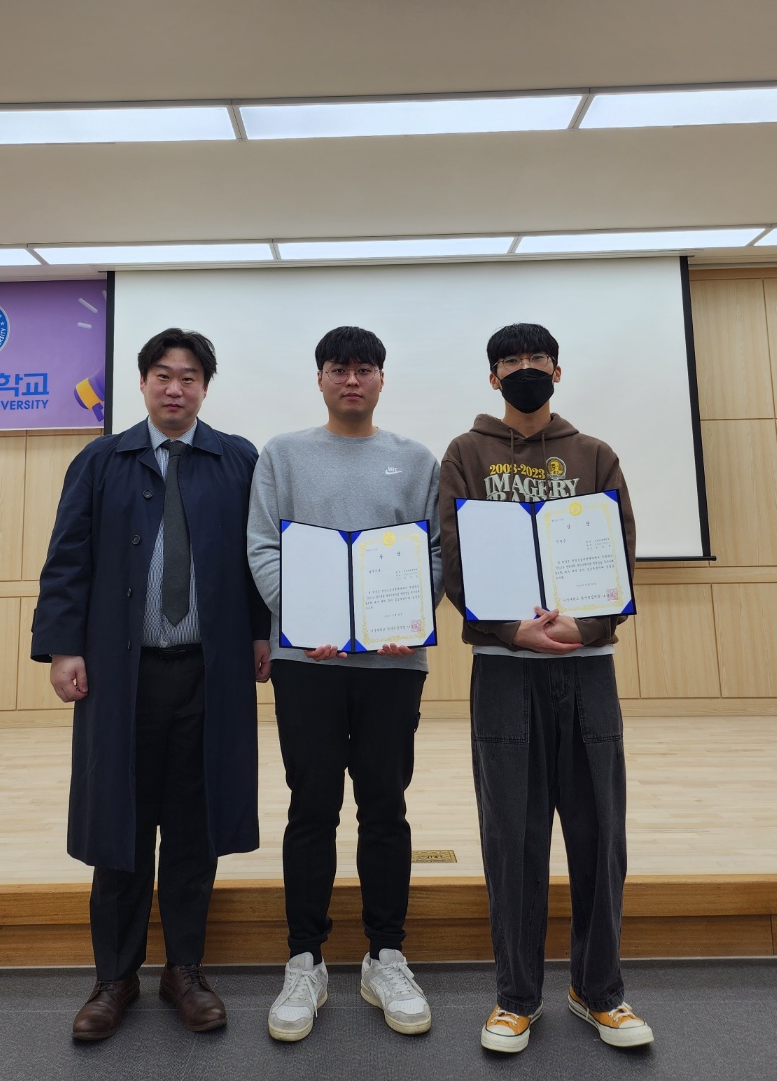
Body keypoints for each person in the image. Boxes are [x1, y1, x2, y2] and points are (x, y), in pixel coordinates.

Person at [31, 327, 271, 1042]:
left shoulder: (238, 460)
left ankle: (185, 971)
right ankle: (114, 978)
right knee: (121, 827)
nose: (175, 388)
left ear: (205, 388)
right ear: (141, 383)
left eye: (189, 377)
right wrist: (63, 648)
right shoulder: (101, 460)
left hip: (210, 673)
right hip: (122, 676)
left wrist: (263, 631)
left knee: (195, 827)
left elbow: (260, 556)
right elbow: (67, 559)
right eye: (163, 375)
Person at [439, 322, 654, 1055]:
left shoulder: (593, 454)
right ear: (493, 377)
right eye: (511, 361)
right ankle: (515, 998)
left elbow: (620, 552)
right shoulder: (466, 454)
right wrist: (510, 630)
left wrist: (584, 626)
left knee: (599, 836)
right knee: (513, 838)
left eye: (537, 358)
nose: (525, 368)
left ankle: (600, 991)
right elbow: (453, 556)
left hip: (587, 670)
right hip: (505, 672)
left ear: (557, 371)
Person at [247, 325, 442, 1042]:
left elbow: (435, 551)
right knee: (312, 807)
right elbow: (262, 546)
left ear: (381, 379)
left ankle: (386, 955)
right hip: (308, 664)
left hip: (393, 664)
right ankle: (305, 960)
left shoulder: (415, 460)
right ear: (321, 379)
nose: (351, 380)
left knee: (385, 807)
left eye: (364, 369)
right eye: (338, 369)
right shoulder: (283, 454)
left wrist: (412, 616)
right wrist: (302, 621)